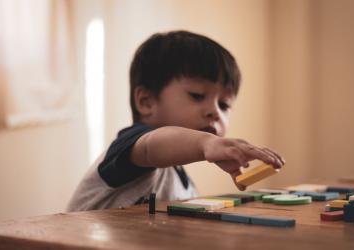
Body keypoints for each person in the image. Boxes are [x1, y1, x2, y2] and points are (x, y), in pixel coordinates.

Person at [67, 30, 285, 212]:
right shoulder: (133, 148)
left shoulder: (185, 187)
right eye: (198, 95)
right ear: (147, 101)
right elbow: (153, 147)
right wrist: (204, 143)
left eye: (225, 104)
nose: (214, 112)